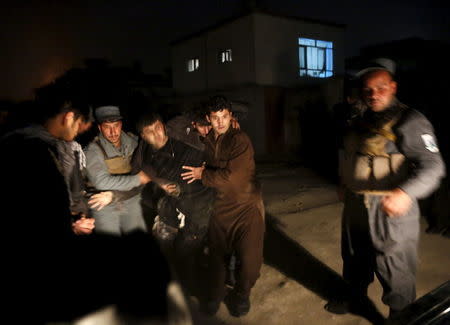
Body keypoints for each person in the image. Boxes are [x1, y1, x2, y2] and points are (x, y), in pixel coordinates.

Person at [327, 58, 446, 320]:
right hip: (356, 203)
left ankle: (400, 315)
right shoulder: (359, 120)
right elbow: (351, 155)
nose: (373, 94)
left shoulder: (411, 121)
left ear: (393, 86)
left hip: (390, 209)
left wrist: (405, 193)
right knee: (355, 256)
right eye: (368, 89)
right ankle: (355, 297)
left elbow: (434, 165)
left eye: (381, 87)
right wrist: (343, 183)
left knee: (395, 266)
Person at [181, 95, 265, 317]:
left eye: (224, 117)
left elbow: (233, 178)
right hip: (219, 209)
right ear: (209, 118)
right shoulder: (206, 140)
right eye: (215, 118)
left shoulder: (240, 140)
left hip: (247, 207)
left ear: (231, 117)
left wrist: (202, 174)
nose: (220, 122)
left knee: (250, 263)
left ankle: (242, 294)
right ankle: (215, 295)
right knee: (217, 258)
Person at [131, 111, 215, 297]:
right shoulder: (146, 156)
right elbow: (137, 174)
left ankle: (192, 290)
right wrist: (157, 181)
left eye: (159, 127)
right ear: (143, 136)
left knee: (186, 252)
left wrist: (205, 171)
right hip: (171, 209)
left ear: (163, 125)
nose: (158, 134)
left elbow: (212, 171)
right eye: (151, 132)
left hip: (198, 209)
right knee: (161, 245)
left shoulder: (186, 148)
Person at [84, 105, 150, 236]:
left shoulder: (134, 142)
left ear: (121, 125)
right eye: (107, 127)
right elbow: (101, 182)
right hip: (104, 203)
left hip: (130, 198)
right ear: (99, 128)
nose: (113, 132)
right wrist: (138, 179)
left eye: (116, 126)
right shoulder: (93, 149)